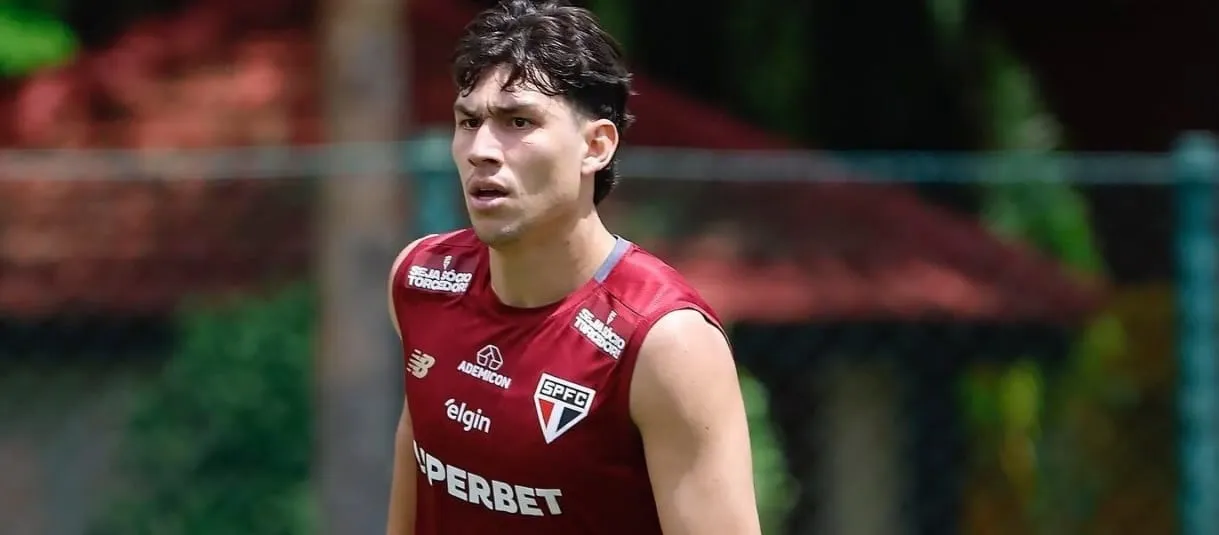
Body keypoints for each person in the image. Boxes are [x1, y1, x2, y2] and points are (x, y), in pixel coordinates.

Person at [385, 1, 761, 533]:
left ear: (596, 146)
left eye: (518, 121)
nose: (481, 149)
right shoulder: (420, 279)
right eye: (469, 121)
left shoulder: (665, 343)